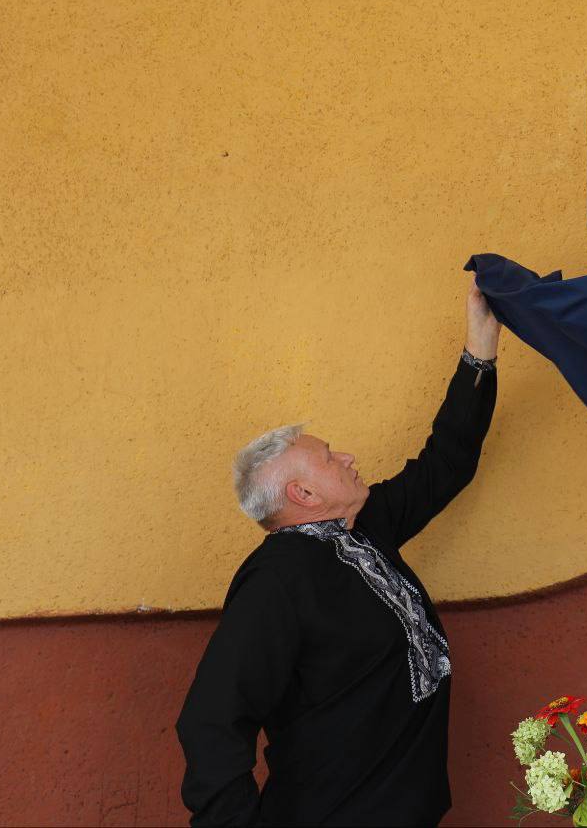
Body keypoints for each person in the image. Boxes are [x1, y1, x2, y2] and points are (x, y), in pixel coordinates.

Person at [176, 281, 501, 826]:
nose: (347, 457)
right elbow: (211, 720)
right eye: (329, 457)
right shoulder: (276, 581)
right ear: (303, 494)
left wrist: (480, 347)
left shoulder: (361, 529)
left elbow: (447, 461)